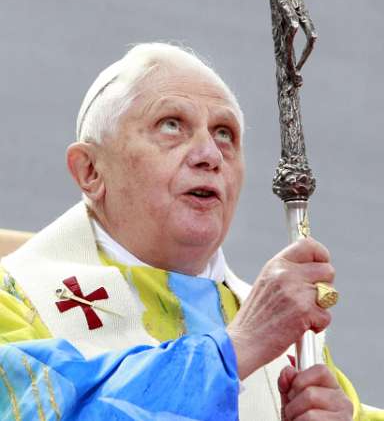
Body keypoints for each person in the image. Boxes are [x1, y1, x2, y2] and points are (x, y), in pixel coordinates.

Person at [0, 43, 381, 420]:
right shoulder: (14, 299)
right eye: (171, 125)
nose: (210, 155)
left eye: (224, 134)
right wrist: (238, 348)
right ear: (91, 171)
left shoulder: (294, 345)